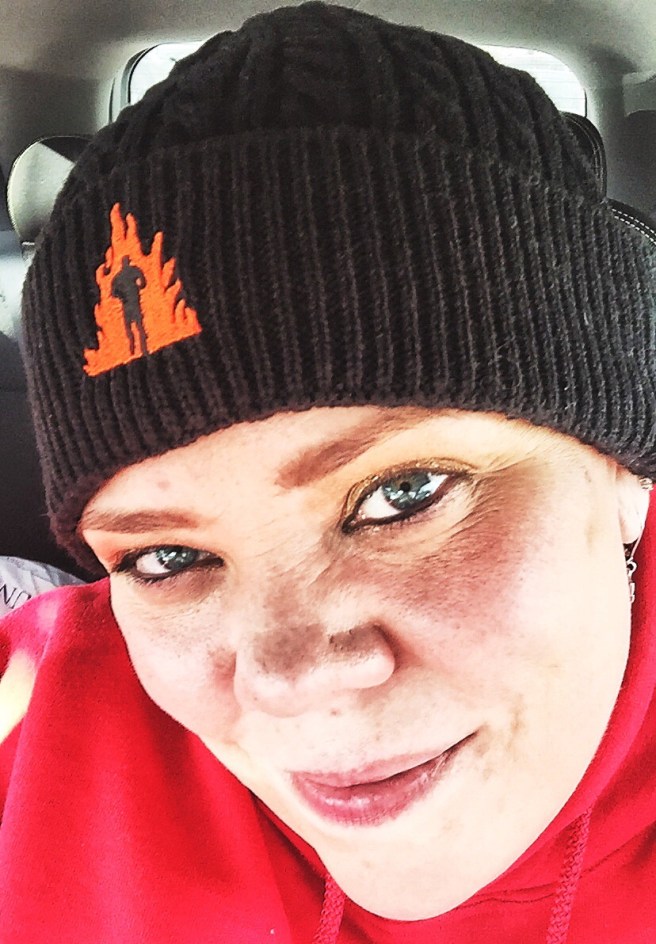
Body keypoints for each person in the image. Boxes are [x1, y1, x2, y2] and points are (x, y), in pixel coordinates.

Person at [1, 3, 656, 941]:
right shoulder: (33, 724)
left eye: (403, 494)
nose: (291, 681)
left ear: (625, 472)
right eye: (166, 558)